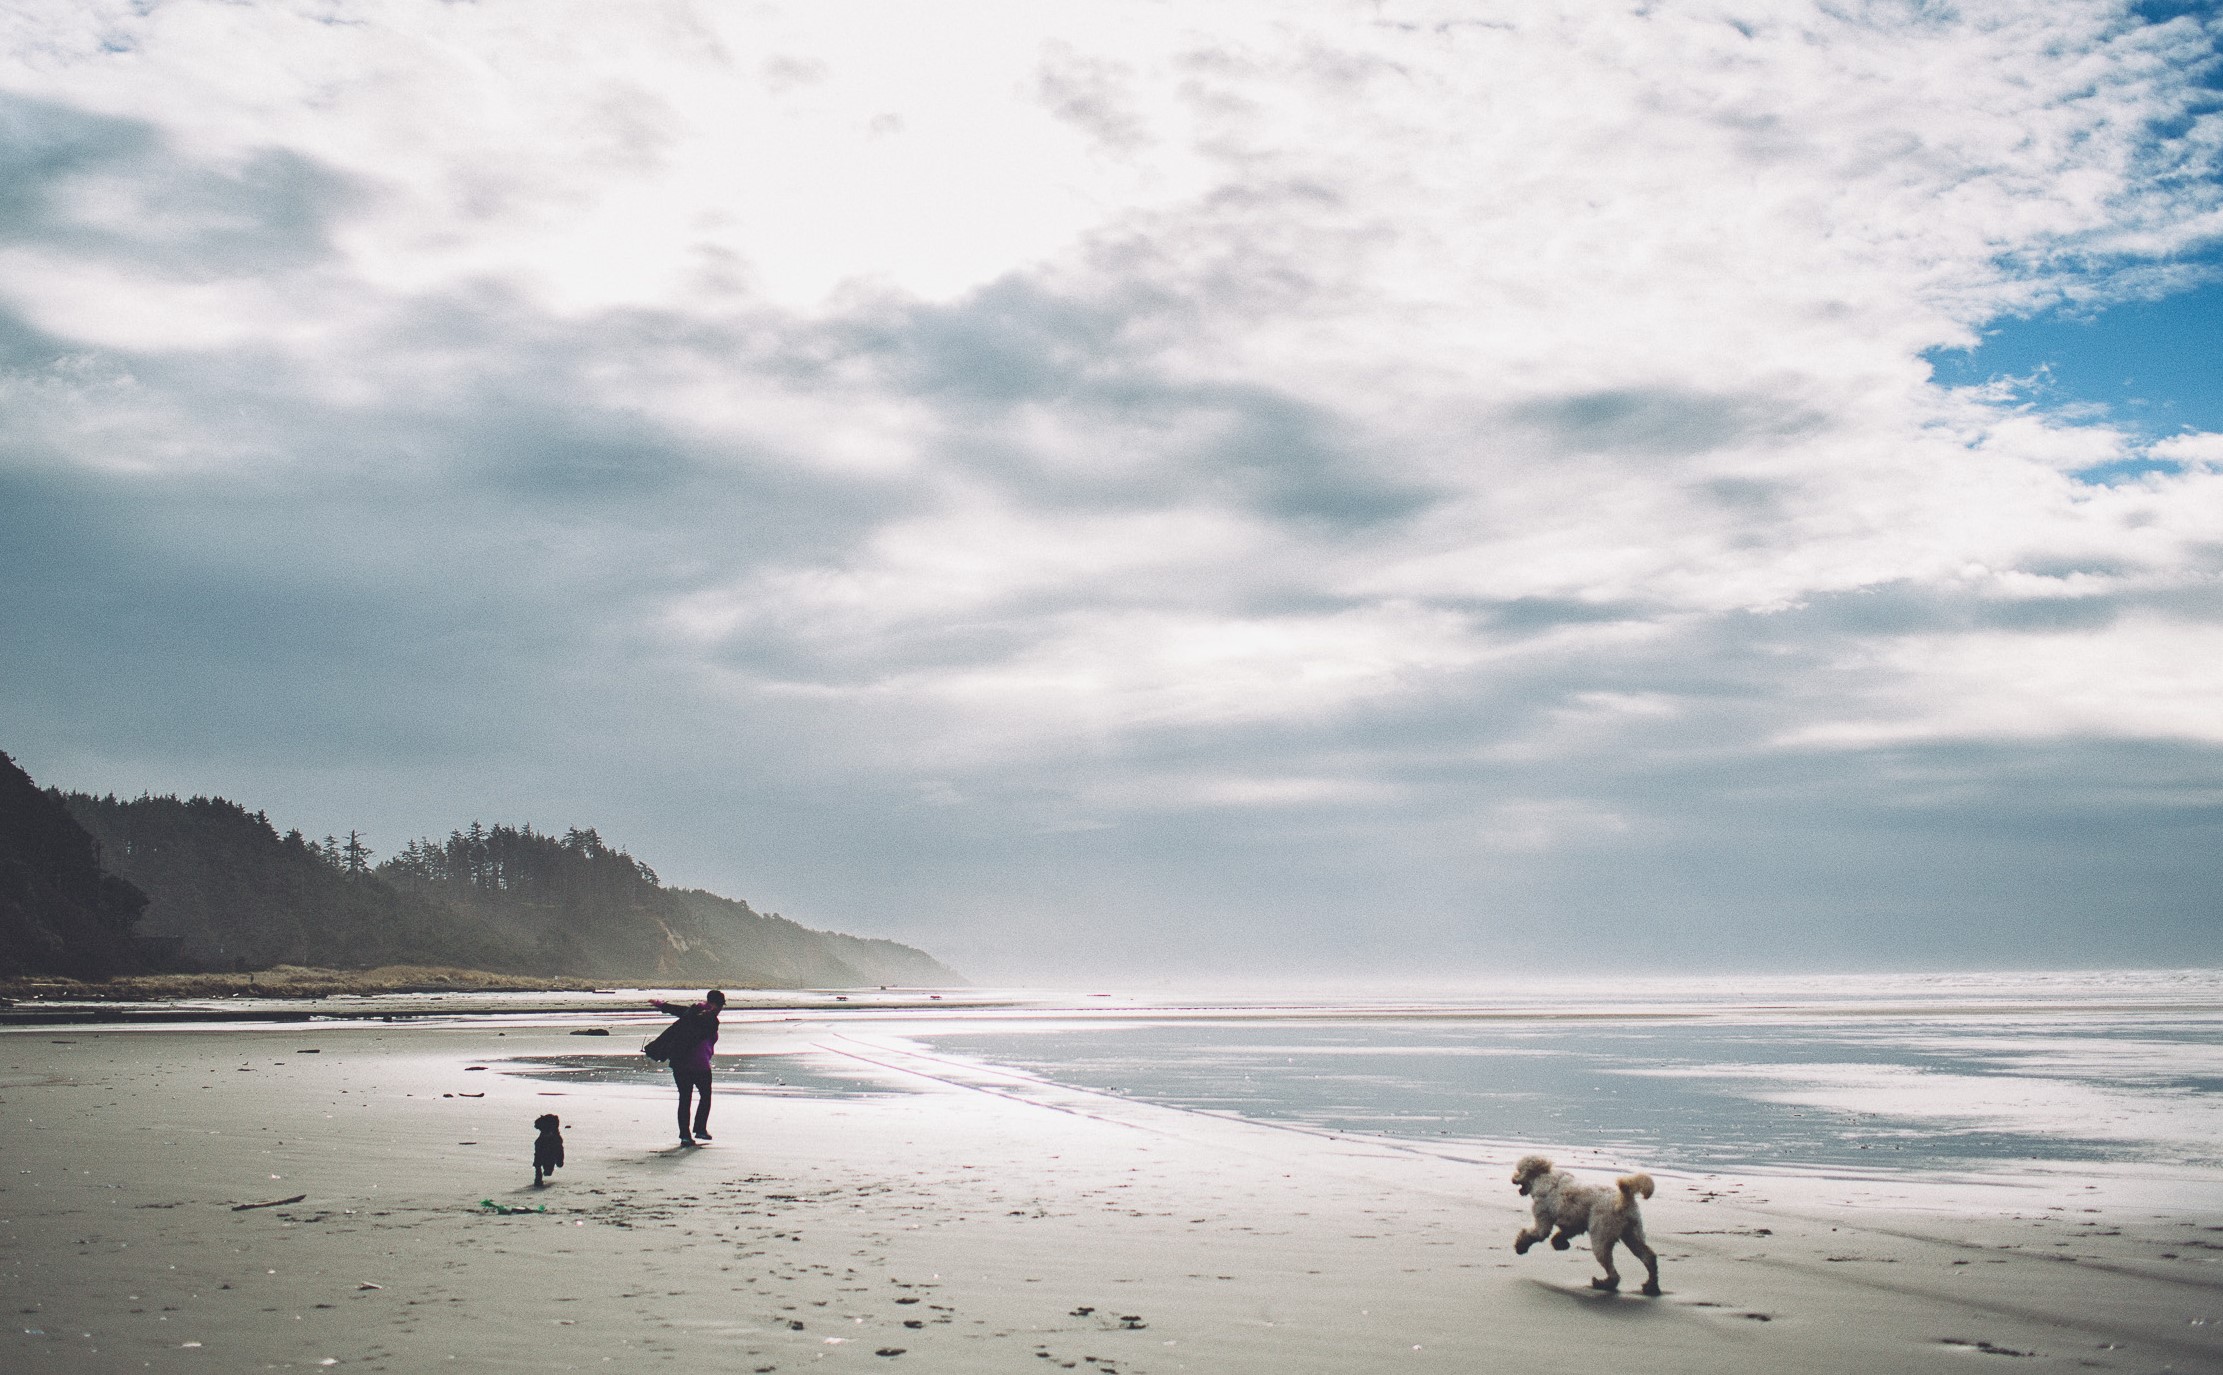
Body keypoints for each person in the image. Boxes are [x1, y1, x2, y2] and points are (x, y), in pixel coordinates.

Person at [650, 988, 725, 1146]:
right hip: (699, 1064)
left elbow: (676, 1010)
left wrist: (661, 1004)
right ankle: (699, 1129)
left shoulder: (692, 1012)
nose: (720, 1010)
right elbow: (703, 1023)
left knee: (685, 1099)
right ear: (715, 1005)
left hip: (680, 1063)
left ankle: (686, 1134)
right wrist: (706, 1012)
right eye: (720, 1006)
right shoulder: (708, 1019)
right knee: (704, 1096)